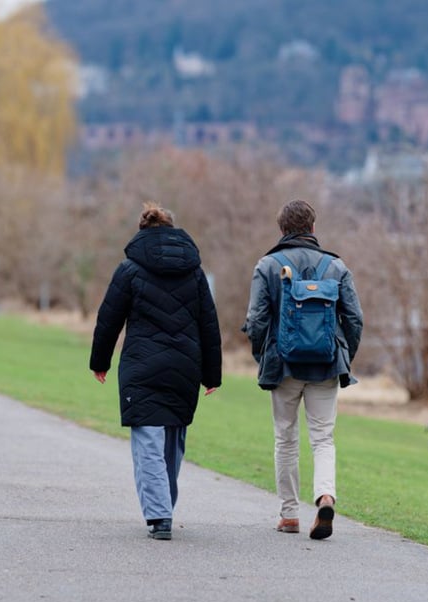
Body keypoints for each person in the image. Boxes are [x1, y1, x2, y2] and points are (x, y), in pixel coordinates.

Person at [90, 202, 222, 541]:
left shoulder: (130, 269)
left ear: (142, 231)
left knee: (148, 438)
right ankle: (164, 509)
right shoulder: (194, 272)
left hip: (141, 364)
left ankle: (159, 514)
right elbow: (209, 323)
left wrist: (100, 362)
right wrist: (213, 374)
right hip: (184, 365)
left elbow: (109, 319)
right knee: (173, 439)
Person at [242, 199, 363, 540]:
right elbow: (354, 319)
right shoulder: (336, 267)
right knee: (323, 438)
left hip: (283, 366)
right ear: (313, 228)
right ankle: (325, 496)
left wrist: (262, 357)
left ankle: (289, 514)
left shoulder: (267, 265)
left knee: (286, 437)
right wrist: (343, 354)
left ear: (282, 230)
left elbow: (256, 321)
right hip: (326, 365)